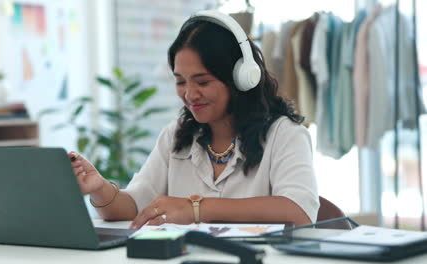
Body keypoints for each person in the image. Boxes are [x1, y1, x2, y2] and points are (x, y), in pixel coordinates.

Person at [69, 10, 319, 229]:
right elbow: (134, 206)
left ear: (242, 78)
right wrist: (100, 188)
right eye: (180, 81)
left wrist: (196, 209)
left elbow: (298, 212)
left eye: (203, 82)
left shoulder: (285, 134)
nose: (189, 94)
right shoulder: (176, 135)